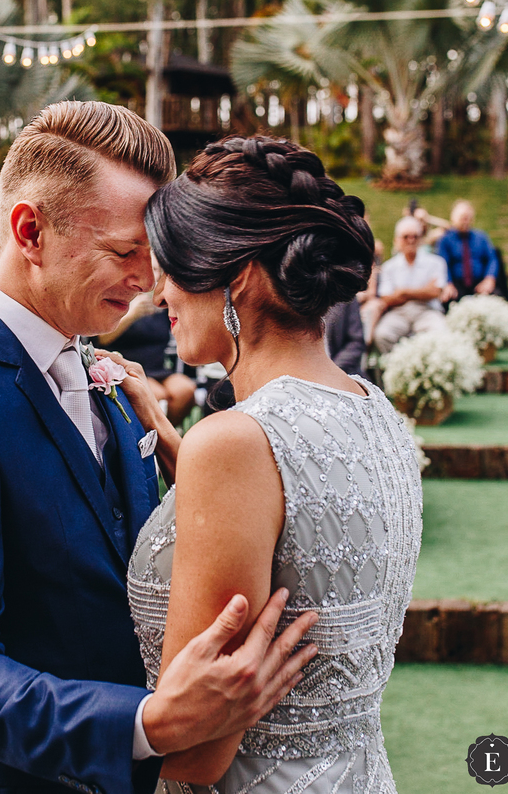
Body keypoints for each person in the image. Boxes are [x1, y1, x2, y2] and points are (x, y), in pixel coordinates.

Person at [0, 103, 318, 794]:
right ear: (30, 230)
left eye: (157, 254)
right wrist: (151, 723)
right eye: (124, 252)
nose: (152, 281)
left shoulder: (109, 380)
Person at [117, 134, 420, 792]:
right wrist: (167, 430)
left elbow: (196, 756)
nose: (160, 292)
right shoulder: (378, 414)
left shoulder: (233, 443)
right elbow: (286, 518)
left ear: (240, 276)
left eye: (175, 267)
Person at [97, 286, 196, 427]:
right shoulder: (119, 301)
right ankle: (153, 437)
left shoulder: (162, 306)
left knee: (184, 390)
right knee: (158, 395)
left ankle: (166, 434)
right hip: (127, 367)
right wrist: (132, 315)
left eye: (156, 270)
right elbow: (102, 339)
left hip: (158, 367)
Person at [373, 216, 449, 354]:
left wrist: (402, 293)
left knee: (440, 332)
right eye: (406, 237)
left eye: (415, 236)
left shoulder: (436, 263)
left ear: (421, 239)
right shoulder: (389, 267)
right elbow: (386, 299)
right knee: (382, 335)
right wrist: (423, 291)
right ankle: (398, 367)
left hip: (427, 311)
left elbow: (435, 292)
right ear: (397, 240)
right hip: (399, 313)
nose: (411, 240)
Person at [436, 200, 501, 301]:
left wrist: (489, 279)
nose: (465, 221)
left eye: (468, 218)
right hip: (456, 284)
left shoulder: (481, 237)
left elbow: (492, 259)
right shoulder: (445, 240)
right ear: (453, 219)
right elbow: (442, 264)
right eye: (462, 218)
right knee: (448, 299)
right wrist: (448, 283)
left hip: (479, 282)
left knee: (496, 299)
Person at [324, 299, 366, 378]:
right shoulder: (297, 298)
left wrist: (333, 370)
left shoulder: (345, 297)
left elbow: (356, 342)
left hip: (344, 372)